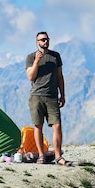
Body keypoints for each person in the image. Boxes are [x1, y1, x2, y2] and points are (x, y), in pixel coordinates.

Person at [26, 31, 73, 165]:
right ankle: (41, 156)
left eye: (47, 39)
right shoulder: (30, 57)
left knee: (57, 125)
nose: (45, 42)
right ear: (37, 42)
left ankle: (58, 156)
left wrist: (62, 94)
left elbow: (60, 76)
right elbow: (31, 77)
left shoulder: (55, 56)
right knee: (38, 126)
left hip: (52, 96)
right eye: (42, 40)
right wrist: (36, 61)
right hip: (36, 96)